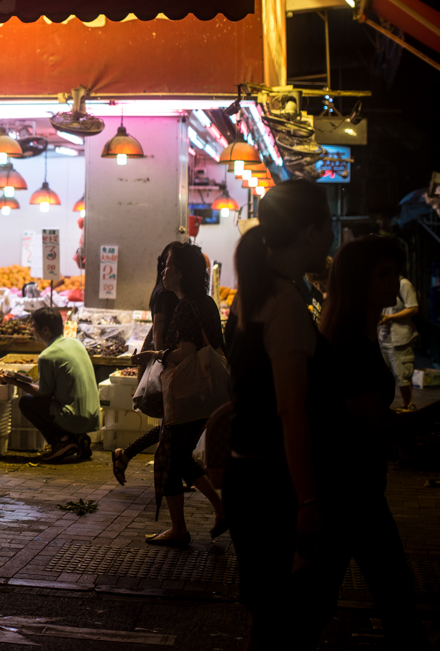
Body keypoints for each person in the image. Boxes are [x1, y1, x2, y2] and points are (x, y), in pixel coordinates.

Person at [225, 179, 335, 648]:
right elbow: (291, 410)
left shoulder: (253, 294)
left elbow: (252, 389)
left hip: (248, 478)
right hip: (277, 487)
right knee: (291, 620)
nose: (332, 238)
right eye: (329, 227)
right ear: (311, 232)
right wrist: (309, 503)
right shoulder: (286, 305)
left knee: (267, 617)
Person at [318, 236, 434, 647]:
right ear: (356, 281)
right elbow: (375, 425)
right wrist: (432, 415)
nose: (393, 281)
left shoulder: (359, 340)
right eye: (383, 273)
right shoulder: (351, 348)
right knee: (395, 598)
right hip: (350, 494)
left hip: (352, 491)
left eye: (394, 272)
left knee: (318, 605)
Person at [131, 243, 227, 546]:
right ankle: (220, 509)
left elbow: (185, 353)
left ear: (182, 272)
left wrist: (155, 354)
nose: (164, 270)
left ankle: (178, 529)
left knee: (168, 458)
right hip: (207, 394)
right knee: (181, 457)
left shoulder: (185, 307)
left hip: (186, 395)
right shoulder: (207, 302)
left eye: (169, 265)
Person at [112, 241, 181, 485]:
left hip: (166, 356)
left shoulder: (164, 290)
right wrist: (161, 359)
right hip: (166, 358)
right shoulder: (164, 293)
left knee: (171, 423)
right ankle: (177, 473)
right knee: (171, 423)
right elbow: (159, 330)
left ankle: (127, 455)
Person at [3, 308, 100, 462]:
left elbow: (44, 393)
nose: (31, 330)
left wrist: (15, 382)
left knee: (26, 402)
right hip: (92, 417)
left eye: (34, 326)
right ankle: (77, 438)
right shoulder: (75, 343)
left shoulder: (47, 356)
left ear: (45, 330)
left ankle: (61, 441)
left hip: (74, 417)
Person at [378, 272, 419, 409]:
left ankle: (409, 409)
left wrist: (390, 318)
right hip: (383, 339)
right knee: (384, 378)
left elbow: (413, 308)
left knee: (403, 377)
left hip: (400, 339)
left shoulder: (404, 284)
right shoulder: (381, 284)